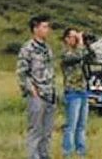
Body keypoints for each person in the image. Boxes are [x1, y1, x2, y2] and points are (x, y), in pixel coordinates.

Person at [17, 14, 56, 159]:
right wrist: (31, 89)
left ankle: (44, 156)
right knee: (35, 131)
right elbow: (22, 72)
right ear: (35, 28)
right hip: (37, 94)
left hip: (49, 94)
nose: (48, 30)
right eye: (45, 27)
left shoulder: (47, 48)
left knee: (47, 132)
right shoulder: (28, 48)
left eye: (48, 27)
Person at [60, 27, 91, 158]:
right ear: (66, 39)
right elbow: (78, 56)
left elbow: (89, 56)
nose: (76, 39)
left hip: (83, 91)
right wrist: (81, 43)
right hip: (72, 92)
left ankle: (80, 153)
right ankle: (66, 153)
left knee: (81, 126)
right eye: (73, 37)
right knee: (70, 126)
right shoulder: (65, 53)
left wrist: (87, 44)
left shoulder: (80, 51)